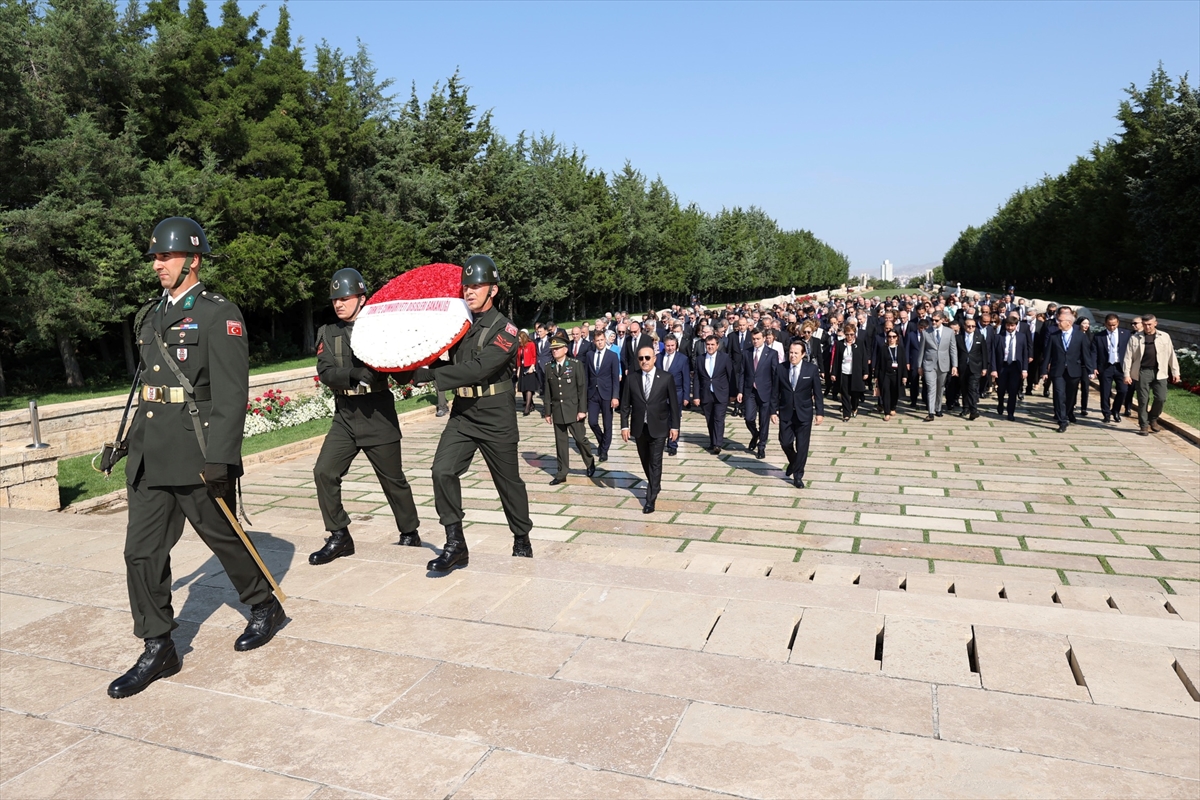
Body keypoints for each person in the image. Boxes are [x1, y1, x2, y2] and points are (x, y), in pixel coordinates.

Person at [109, 217, 283, 699]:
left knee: (223, 538)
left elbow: (231, 394)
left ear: (193, 259)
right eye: (155, 258)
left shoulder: (216, 313)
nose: (158, 265)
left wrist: (222, 459)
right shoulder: (149, 315)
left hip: (197, 453)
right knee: (140, 553)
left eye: (166, 257)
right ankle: (158, 645)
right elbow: (148, 388)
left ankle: (264, 605)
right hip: (150, 455)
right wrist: (128, 445)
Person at [416, 255, 534, 571]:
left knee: (508, 483)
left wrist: (432, 377)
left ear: (493, 290)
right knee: (442, 471)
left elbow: (480, 368)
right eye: (466, 286)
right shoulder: (461, 324)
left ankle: (521, 536)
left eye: (477, 285)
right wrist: (416, 368)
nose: (469, 291)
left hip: (497, 414)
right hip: (464, 413)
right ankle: (455, 544)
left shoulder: (506, 329)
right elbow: (452, 364)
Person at [310, 268, 422, 566]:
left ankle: (409, 531)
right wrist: (352, 374)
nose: (339, 304)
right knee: (324, 471)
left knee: (393, 480)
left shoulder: (381, 327)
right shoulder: (328, 332)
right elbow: (325, 372)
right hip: (345, 416)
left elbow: (401, 368)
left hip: (378, 413)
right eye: (335, 299)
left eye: (345, 298)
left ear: (362, 298)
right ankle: (339, 534)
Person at [620, 345, 680, 514]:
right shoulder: (632, 378)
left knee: (655, 462)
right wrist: (624, 425)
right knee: (645, 460)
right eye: (641, 358)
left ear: (654, 358)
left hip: (659, 426)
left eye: (647, 358)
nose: (644, 361)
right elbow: (625, 405)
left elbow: (674, 405)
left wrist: (674, 426)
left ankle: (650, 499)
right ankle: (655, 483)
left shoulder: (666, 378)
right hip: (640, 428)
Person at [771, 340, 825, 488]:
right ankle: (794, 462)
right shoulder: (781, 368)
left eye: (796, 353)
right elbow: (775, 392)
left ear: (803, 354)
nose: (793, 356)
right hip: (786, 412)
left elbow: (818, 393)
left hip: (804, 413)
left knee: (802, 446)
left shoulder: (811, 370)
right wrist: (773, 410)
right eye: (791, 353)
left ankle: (798, 475)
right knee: (785, 442)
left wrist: (819, 412)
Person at [543, 335, 596, 484]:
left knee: (580, 439)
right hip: (558, 409)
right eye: (553, 349)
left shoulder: (575, 364)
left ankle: (589, 462)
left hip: (573, 409)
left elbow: (581, 388)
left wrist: (582, 409)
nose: (554, 351)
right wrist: (547, 411)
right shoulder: (549, 367)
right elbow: (547, 391)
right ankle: (562, 473)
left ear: (565, 349)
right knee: (561, 443)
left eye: (557, 348)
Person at [1122, 314, 1181, 435]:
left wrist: (1175, 372)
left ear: (1155, 323)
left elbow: (1171, 355)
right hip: (1142, 371)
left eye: (1149, 324)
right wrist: (1126, 374)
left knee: (1161, 398)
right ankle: (1143, 425)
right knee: (1143, 399)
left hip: (1160, 371)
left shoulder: (1164, 337)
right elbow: (1128, 357)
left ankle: (1153, 418)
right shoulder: (1135, 338)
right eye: (1144, 325)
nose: (1147, 327)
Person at [1040, 307, 1095, 433]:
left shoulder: (1080, 336)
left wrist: (1090, 370)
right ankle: (1062, 420)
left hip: (1074, 370)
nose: (1057, 323)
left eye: (1060, 321)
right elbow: (1047, 355)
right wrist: (1044, 371)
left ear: (1069, 323)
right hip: (1057, 370)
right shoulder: (1054, 336)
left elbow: (1086, 354)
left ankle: (1069, 412)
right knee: (1059, 394)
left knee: (1070, 396)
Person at [737, 329, 780, 458]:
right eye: (753, 339)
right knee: (749, 418)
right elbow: (742, 373)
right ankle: (755, 434)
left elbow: (775, 375)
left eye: (758, 339)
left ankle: (761, 446)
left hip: (766, 391)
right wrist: (740, 391)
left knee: (764, 422)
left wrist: (775, 395)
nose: (755, 341)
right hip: (750, 391)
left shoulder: (772, 354)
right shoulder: (746, 353)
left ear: (764, 338)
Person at [692, 335, 736, 454]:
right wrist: (696, 396)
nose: (710, 347)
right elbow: (697, 379)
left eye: (712, 345)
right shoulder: (700, 359)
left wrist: (733, 393)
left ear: (717, 345)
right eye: (708, 345)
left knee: (719, 418)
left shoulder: (725, 358)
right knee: (710, 419)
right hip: (706, 393)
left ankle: (718, 444)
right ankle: (712, 441)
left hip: (721, 393)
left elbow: (730, 376)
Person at [586, 329, 620, 462]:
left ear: (605, 340)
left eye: (601, 340)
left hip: (607, 393)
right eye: (597, 340)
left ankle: (604, 450)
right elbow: (587, 375)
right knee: (592, 421)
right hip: (593, 393)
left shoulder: (612, 356)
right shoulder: (589, 355)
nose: (600, 343)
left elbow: (615, 378)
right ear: (594, 342)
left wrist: (615, 396)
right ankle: (602, 441)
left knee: (607, 423)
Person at [657, 334, 691, 456]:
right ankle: (660, 441)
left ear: (676, 345)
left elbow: (686, 379)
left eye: (672, 345)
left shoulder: (682, 359)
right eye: (668, 346)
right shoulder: (658, 357)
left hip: (676, 393)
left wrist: (686, 396)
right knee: (661, 419)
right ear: (664, 345)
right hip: (660, 394)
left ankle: (672, 444)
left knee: (674, 419)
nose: (670, 348)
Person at [990, 314, 1029, 421]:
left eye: (1012, 326)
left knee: (1013, 390)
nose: (1010, 328)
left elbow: (1025, 353)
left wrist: (1025, 369)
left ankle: (1011, 412)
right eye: (1008, 325)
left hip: (1015, 366)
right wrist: (993, 369)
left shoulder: (1021, 336)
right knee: (1001, 388)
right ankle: (1000, 403)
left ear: (1016, 326)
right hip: (1002, 366)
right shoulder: (998, 336)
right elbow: (993, 353)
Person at [918, 314, 957, 421]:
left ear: (942, 320)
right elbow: (921, 350)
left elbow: (953, 349)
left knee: (940, 387)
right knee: (931, 387)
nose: (933, 322)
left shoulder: (949, 332)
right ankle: (930, 412)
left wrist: (954, 365)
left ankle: (938, 408)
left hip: (944, 363)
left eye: (936, 320)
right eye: (932, 320)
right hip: (929, 364)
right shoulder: (926, 332)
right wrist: (919, 366)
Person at [1093, 314, 1130, 424]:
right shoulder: (1099, 336)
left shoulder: (1126, 334)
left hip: (1120, 367)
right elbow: (1094, 353)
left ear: (1118, 323)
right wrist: (1094, 367)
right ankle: (1106, 413)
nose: (1112, 327)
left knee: (1123, 390)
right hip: (1105, 367)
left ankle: (1116, 410)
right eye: (1109, 325)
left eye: (1114, 325)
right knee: (1105, 392)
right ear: (1105, 324)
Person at [832, 324, 869, 421]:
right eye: (847, 334)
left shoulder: (860, 343)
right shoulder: (840, 344)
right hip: (844, 371)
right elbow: (836, 360)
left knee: (855, 393)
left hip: (856, 372)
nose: (849, 337)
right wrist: (833, 373)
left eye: (852, 334)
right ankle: (846, 413)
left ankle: (854, 407)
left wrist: (866, 372)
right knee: (844, 393)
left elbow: (864, 358)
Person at [956, 316, 989, 420]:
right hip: (962, 366)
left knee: (972, 388)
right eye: (968, 326)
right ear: (964, 326)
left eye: (973, 326)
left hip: (976, 367)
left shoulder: (980, 337)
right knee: (964, 388)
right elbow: (955, 353)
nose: (970, 328)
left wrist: (984, 368)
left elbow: (984, 353)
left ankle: (973, 410)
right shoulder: (958, 337)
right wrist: (955, 367)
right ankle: (965, 408)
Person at [874, 329, 906, 421]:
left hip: (897, 374)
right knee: (886, 393)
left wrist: (904, 376)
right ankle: (886, 412)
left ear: (897, 338)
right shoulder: (883, 348)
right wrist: (876, 376)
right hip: (885, 374)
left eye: (893, 337)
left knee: (894, 393)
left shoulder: (900, 349)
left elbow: (903, 363)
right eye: (889, 337)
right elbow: (878, 363)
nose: (891, 339)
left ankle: (893, 407)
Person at [1123, 316, 1144, 418]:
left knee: (1143, 392)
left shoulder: (1147, 336)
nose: (1133, 325)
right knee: (1129, 390)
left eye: (1135, 323)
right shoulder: (1129, 335)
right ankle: (1127, 408)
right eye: (1132, 323)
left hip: (1143, 369)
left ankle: (1142, 412)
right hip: (1132, 367)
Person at [516, 330, 539, 415]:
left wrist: (532, 366)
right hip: (522, 367)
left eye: (519, 338)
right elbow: (518, 359)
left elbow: (534, 356)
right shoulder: (519, 347)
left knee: (529, 388)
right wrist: (518, 369)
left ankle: (527, 407)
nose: (518, 340)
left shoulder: (531, 344)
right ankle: (531, 404)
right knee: (524, 388)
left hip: (529, 367)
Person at [1077, 317, 1095, 417]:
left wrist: (1092, 367)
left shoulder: (1091, 336)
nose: (1086, 325)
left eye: (1088, 324)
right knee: (1073, 386)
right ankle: (1072, 404)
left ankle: (1084, 407)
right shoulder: (1074, 335)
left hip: (1085, 365)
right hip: (1075, 363)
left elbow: (1092, 352)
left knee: (1085, 387)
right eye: (1084, 323)